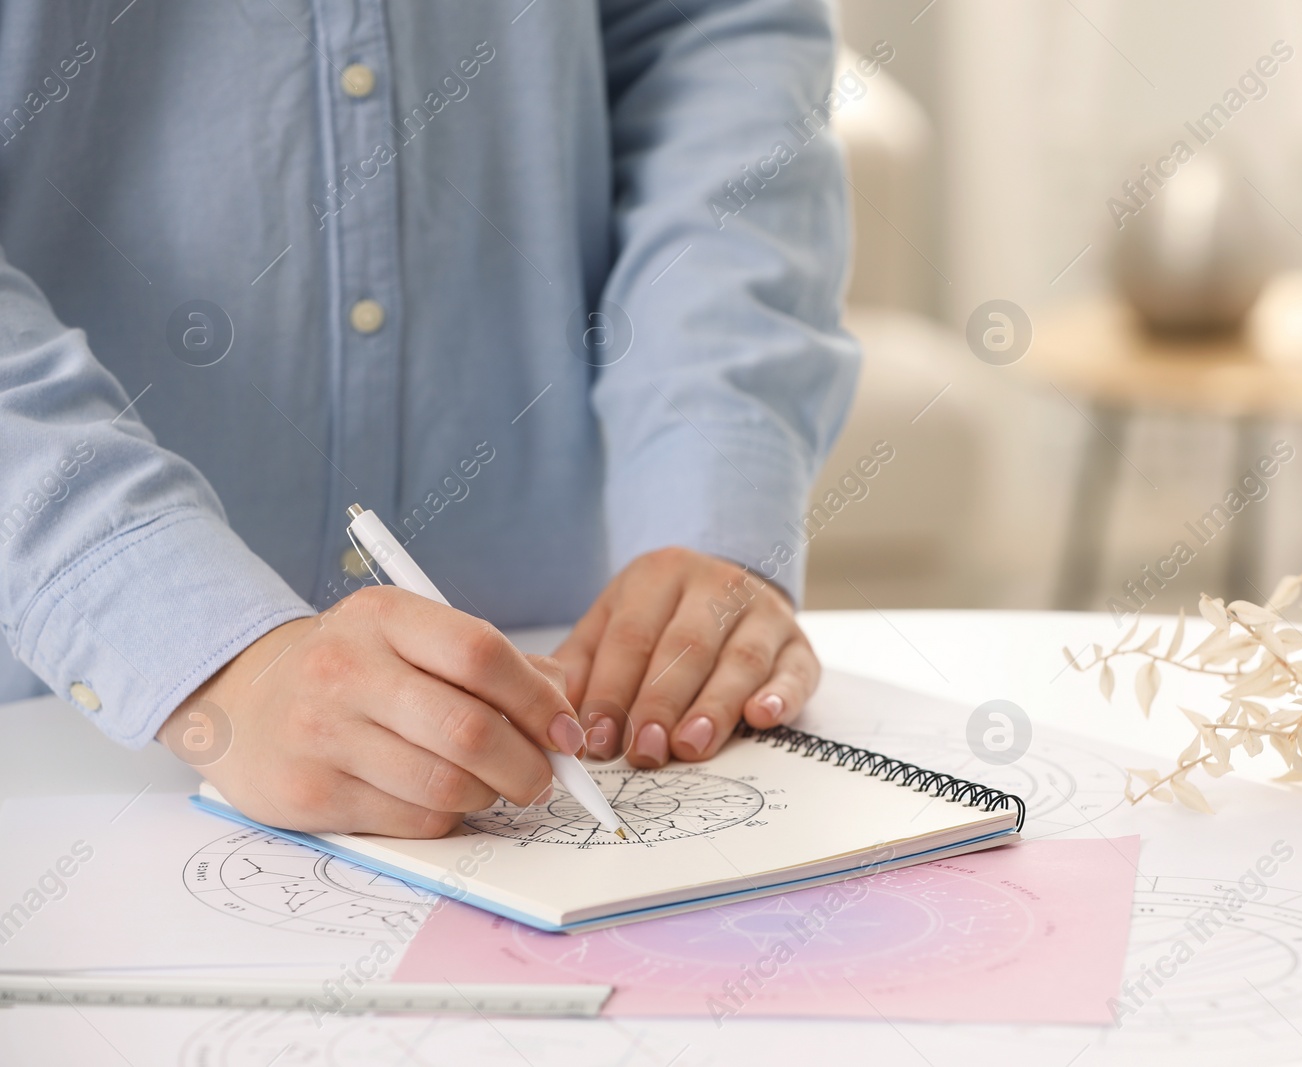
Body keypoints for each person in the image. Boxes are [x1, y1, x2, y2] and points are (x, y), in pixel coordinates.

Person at [0, 1, 858, 837]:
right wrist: (205, 648)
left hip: (567, 654)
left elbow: (712, 36)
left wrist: (705, 493)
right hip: (62, 744)